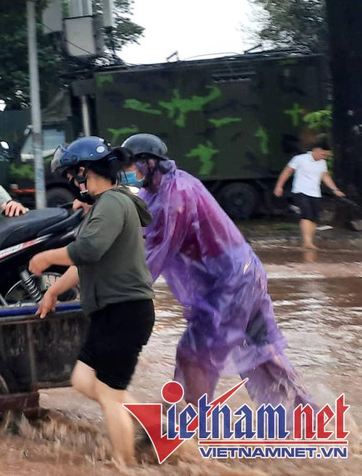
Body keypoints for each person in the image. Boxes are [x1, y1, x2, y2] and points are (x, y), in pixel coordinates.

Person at [123, 133, 312, 409]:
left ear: (149, 163)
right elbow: (137, 226)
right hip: (243, 277)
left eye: (130, 167)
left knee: (193, 354)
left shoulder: (175, 197)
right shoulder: (158, 190)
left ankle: (189, 425)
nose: (127, 173)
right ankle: (308, 415)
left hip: (231, 284)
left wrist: (124, 292)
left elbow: (154, 253)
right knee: (262, 354)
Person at [30, 136, 154, 466]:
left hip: (125, 311)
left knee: (110, 396)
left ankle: (123, 465)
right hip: (110, 312)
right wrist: (54, 290)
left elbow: (88, 250)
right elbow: (87, 264)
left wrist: (45, 258)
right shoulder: (106, 205)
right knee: (84, 380)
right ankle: (159, 428)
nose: (73, 183)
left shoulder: (112, 203)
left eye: (74, 176)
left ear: (86, 171)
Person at [274, 140, 344, 251]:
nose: (325, 157)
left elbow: (325, 176)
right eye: (324, 154)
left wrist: (335, 189)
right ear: (316, 150)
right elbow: (287, 172)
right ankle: (307, 242)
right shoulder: (300, 159)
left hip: (315, 193)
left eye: (326, 155)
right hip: (300, 191)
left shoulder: (322, 162)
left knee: (314, 218)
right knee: (306, 215)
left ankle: (310, 241)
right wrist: (279, 186)